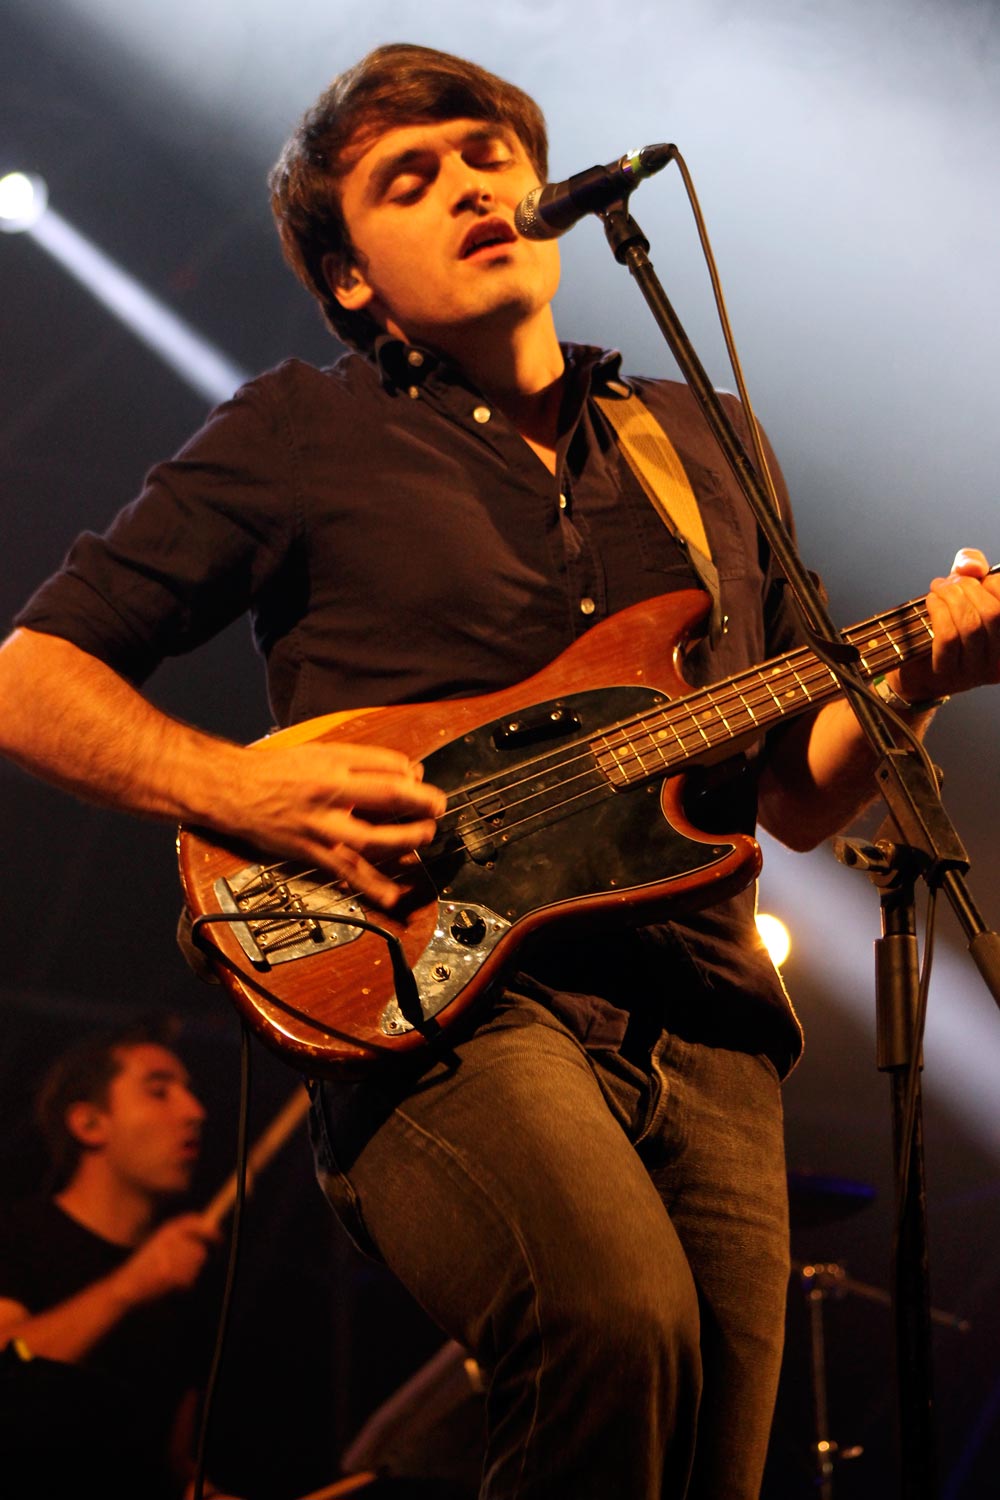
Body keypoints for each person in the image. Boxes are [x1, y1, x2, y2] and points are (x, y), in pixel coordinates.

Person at [0, 42, 997, 1500]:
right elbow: (31, 678)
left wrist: (912, 674)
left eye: (488, 157)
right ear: (351, 278)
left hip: (711, 1021)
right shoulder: (299, 431)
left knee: (712, 1460)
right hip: (440, 1003)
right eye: (411, 178)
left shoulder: (704, 442)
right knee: (613, 1323)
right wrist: (243, 790)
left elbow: (792, 797)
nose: (472, 186)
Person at [0, 1022, 240, 1499]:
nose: (195, 1112)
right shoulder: (16, 1235)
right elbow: (10, 1361)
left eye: (189, 1093)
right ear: (90, 1124)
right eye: (159, 1091)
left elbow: (173, 1464)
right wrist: (129, 1287)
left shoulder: (188, 1279)